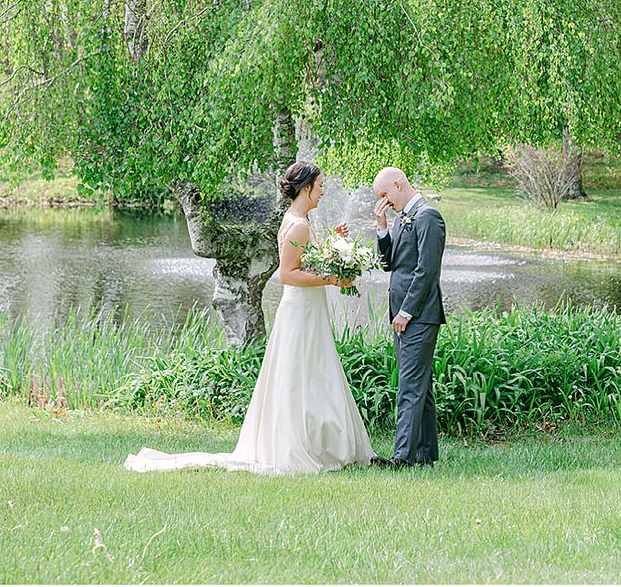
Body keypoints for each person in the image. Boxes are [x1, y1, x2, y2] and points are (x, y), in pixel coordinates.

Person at [124, 162, 374, 474]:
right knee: (303, 373)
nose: (324, 191)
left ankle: (319, 439)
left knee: (312, 371)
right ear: (307, 188)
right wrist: (333, 279)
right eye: (320, 185)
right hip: (301, 309)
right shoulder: (298, 224)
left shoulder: (299, 220)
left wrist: (333, 246)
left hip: (307, 307)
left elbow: (304, 260)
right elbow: (287, 274)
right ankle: (305, 444)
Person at [371, 166, 447, 468]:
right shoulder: (404, 217)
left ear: (399, 185)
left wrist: (406, 311)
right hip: (404, 314)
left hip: (418, 315)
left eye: (384, 194)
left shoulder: (428, 217)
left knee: (409, 387)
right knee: (421, 387)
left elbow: (426, 272)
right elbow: (390, 264)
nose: (384, 201)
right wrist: (382, 227)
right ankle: (426, 454)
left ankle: (402, 458)